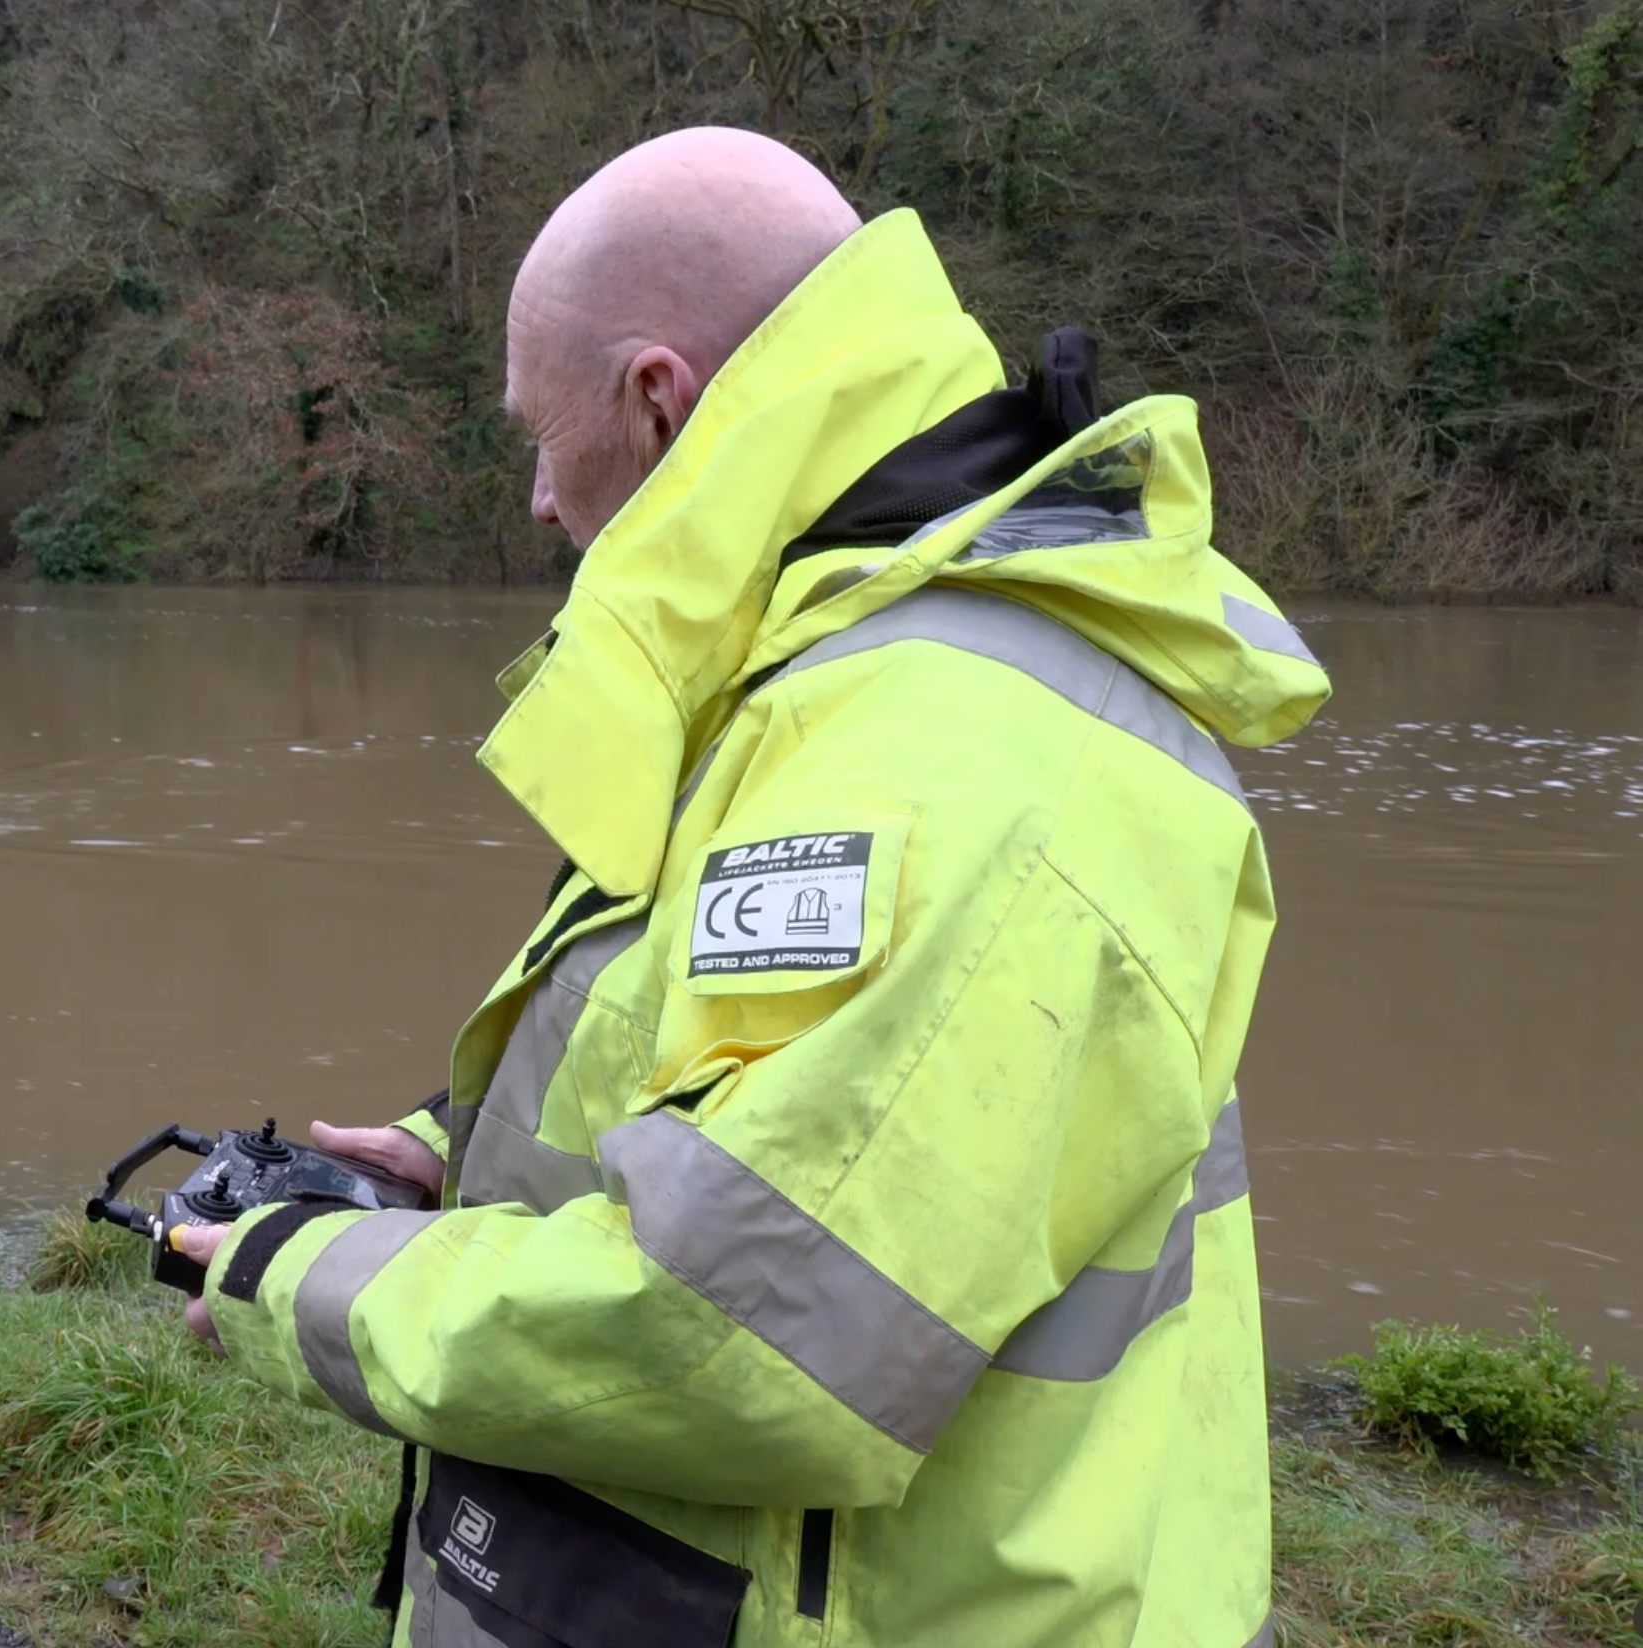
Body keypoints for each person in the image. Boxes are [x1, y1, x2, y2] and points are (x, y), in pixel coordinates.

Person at [175, 126, 1329, 1648]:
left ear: (657, 401)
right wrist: (480, 1157)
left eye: (540, 436)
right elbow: (779, 1081)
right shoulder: (832, 656)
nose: (537, 502)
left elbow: (735, 1331)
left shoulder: (953, 750)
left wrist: (302, 1271)